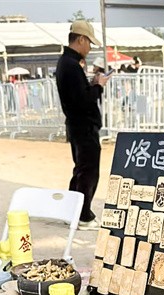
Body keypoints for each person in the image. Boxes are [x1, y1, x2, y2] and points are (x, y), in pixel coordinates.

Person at [55, 19, 109, 229]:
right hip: (83, 126)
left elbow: (78, 95)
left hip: (77, 125)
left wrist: (92, 85)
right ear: (81, 39)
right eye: (89, 43)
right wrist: (98, 86)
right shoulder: (70, 65)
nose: (90, 48)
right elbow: (83, 100)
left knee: (81, 170)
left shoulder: (66, 63)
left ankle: (72, 211)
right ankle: (83, 215)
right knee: (88, 171)